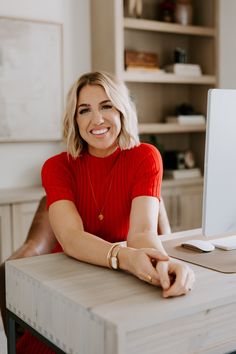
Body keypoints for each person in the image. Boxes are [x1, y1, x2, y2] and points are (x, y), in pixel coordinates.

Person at [16, 71, 195, 353]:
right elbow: (71, 237)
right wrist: (125, 257)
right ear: (74, 121)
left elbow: (143, 232)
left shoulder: (145, 157)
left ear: (122, 111)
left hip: (121, 285)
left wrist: (163, 263)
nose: (96, 119)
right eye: (84, 110)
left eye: (106, 106)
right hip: (68, 284)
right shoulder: (56, 167)